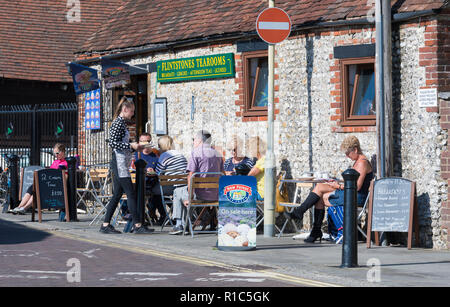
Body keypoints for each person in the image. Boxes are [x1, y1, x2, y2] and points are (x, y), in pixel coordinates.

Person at [286, 135, 374, 243]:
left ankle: (313, 228)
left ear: (355, 149)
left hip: (357, 197)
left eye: (348, 153)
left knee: (320, 198)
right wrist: (336, 183)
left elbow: (356, 187)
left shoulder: (362, 163)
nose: (347, 156)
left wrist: (337, 186)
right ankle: (304, 217)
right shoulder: (358, 162)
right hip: (350, 193)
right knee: (319, 187)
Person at [99, 97, 153, 234]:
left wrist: (136, 148)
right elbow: (113, 143)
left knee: (117, 194)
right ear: (125, 109)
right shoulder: (118, 123)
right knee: (131, 193)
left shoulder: (121, 123)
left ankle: (105, 225)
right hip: (119, 162)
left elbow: (120, 144)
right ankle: (137, 224)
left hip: (121, 161)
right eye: (132, 111)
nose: (133, 114)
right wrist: (131, 145)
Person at [169, 130, 224, 235]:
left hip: (199, 195)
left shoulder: (196, 153)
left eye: (194, 140)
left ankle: (179, 225)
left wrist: (189, 196)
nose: (193, 142)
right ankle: (184, 224)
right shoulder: (217, 154)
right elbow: (223, 174)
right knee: (182, 193)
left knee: (177, 192)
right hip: (215, 195)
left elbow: (191, 176)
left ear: (199, 140)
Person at [9, 143, 68, 215]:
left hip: (54, 186)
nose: (55, 155)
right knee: (31, 188)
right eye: (54, 153)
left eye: (57, 153)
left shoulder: (65, 163)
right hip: (48, 182)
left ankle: (25, 208)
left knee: (37, 191)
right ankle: (19, 207)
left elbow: (64, 178)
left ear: (62, 152)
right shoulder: (55, 162)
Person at [148, 135, 187, 225]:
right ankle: (164, 216)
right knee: (159, 192)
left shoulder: (165, 156)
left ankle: (163, 216)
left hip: (172, 185)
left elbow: (158, 172)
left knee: (153, 192)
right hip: (184, 184)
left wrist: (151, 171)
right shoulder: (179, 154)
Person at [247, 136, 266, 201]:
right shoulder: (263, 160)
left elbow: (249, 176)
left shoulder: (262, 161)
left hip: (260, 193)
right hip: (263, 192)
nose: (250, 151)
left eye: (250, 149)